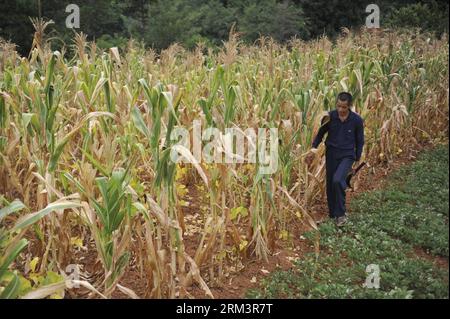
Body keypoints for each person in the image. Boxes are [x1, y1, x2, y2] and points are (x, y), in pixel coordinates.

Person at [305, 92, 365, 227]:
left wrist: (357, 159)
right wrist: (313, 150)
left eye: (344, 107)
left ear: (349, 106)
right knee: (331, 185)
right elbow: (320, 134)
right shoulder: (330, 117)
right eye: (338, 106)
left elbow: (360, 141)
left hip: (347, 155)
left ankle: (341, 215)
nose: (340, 110)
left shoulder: (356, 120)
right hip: (331, 153)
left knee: (338, 180)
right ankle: (333, 216)